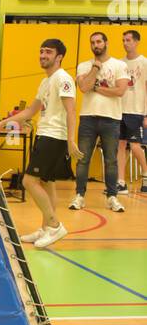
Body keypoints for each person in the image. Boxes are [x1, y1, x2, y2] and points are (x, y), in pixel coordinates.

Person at [0, 39, 81, 250]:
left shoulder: (63, 79)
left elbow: (71, 111)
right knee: (47, 183)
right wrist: (1, 124)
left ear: (59, 57)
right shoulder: (45, 81)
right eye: (41, 51)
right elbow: (30, 111)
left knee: (29, 181)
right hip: (44, 134)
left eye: (48, 52)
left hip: (55, 136)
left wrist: (70, 141)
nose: (42, 55)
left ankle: (55, 225)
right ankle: (45, 228)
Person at [70, 30, 128, 212]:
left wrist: (95, 87)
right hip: (88, 118)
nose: (96, 45)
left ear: (106, 43)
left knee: (111, 160)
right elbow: (84, 87)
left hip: (111, 119)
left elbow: (120, 91)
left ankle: (112, 197)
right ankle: (79, 195)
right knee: (82, 159)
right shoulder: (84, 66)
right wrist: (95, 68)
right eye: (93, 43)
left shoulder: (119, 65)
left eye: (99, 42)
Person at [116, 28, 147, 196]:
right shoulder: (120, 64)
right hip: (120, 110)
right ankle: (121, 182)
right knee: (120, 145)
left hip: (136, 111)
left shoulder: (144, 62)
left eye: (128, 40)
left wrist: (146, 114)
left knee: (135, 146)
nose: (125, 43)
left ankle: (146, 174)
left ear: (136, 41)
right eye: (123, 40)